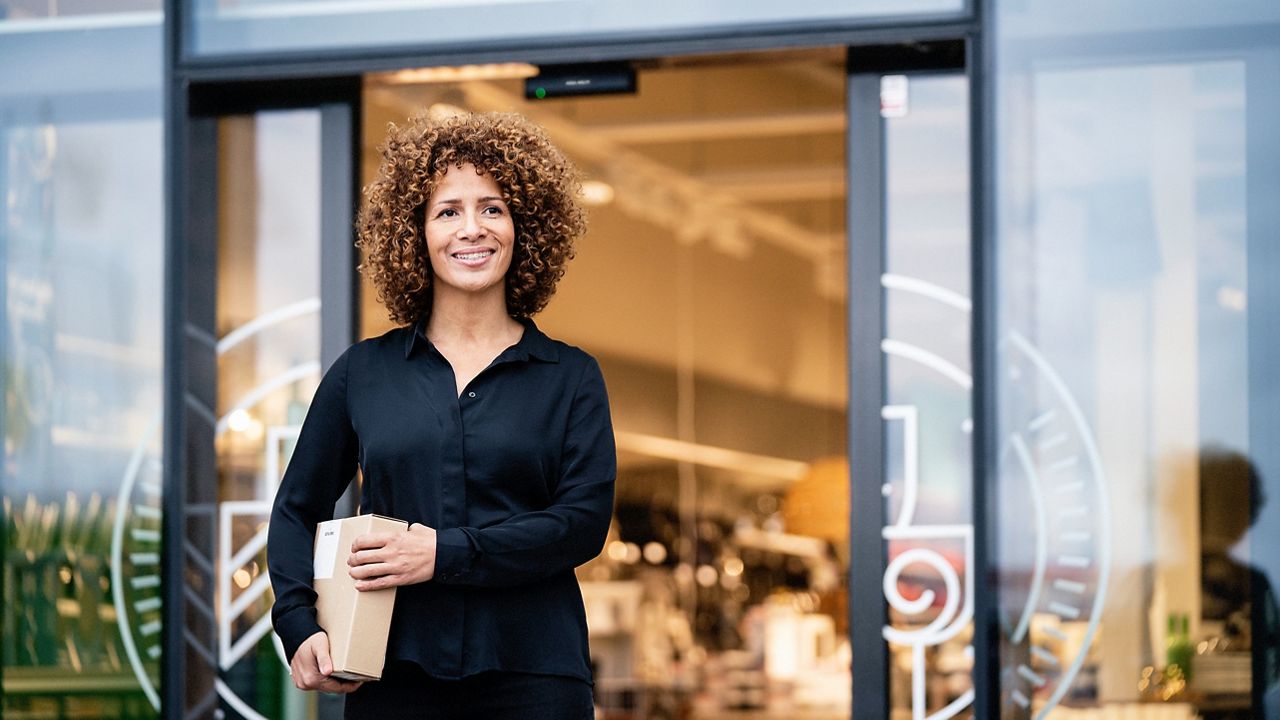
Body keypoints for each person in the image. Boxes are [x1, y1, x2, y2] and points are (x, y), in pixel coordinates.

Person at [267, 111, 616, 719]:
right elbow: (296, 508)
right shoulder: (364, 373)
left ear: (524, 228)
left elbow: (582, 522)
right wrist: (299, 625)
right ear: (415, 234)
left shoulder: (570, 376)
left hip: (533, 675)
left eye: (493, 208)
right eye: (447, 211)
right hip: (394, 673)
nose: (471, 229)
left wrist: (443, 554)